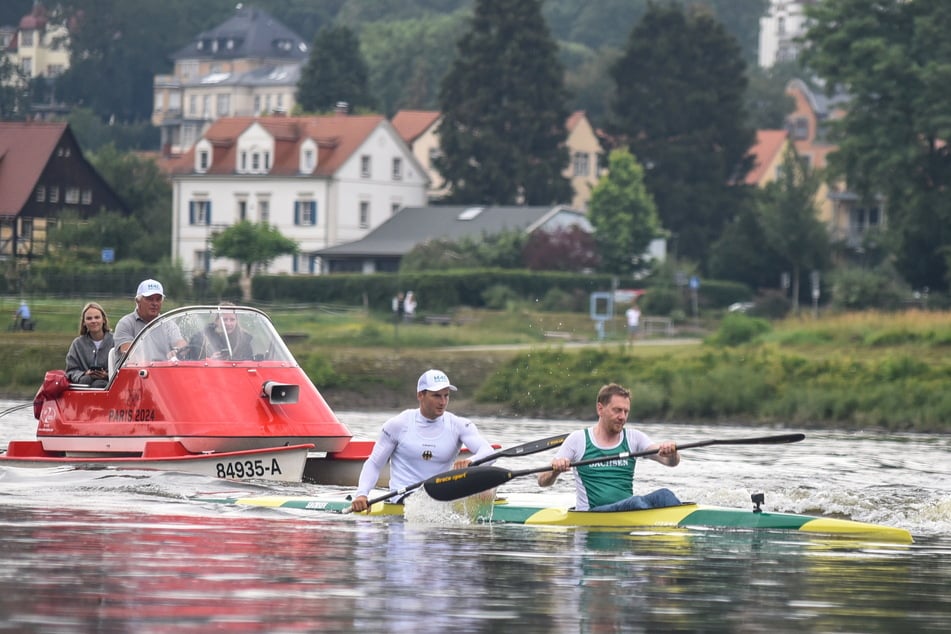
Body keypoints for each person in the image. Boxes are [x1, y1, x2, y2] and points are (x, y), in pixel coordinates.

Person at [349, 369, 495, 513]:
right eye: (436, 396)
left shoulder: (459, 425)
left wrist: (471, 461)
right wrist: (362, 494)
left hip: (441, 493)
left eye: (446, 396)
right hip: (405, 496)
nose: (443, 402)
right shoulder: (398, 424)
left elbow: (488, 451)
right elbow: (374, 463)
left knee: (487, 491)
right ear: (420, 395)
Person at [538, 383, 682, 512]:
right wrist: (555, 471)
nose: (622, 417)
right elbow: (542, 481)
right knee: (635, 502)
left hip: (630, 508)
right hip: (594, 513)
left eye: (626, 412)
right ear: (600, 409)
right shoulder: (578, 440)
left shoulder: (634, 438)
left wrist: (671, 452)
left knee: (664, 495)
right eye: (617, 410)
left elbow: (670, 462)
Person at [113, 279, 187, 360]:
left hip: (164, 370)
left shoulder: (168, 324)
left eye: (158, 299)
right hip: (137, 370)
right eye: (149, 299)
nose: (154, 303)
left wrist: (177, 351)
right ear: (138, 301)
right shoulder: (126, 323)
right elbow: (128, 353)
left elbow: (181, 343)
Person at [65, 302, 115, 388]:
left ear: (103, 320)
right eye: (89, 318)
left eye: (97, 317)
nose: (93, 321)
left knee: (99, 384)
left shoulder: (116, 341)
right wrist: (85, 374)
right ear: (84, 322)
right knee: (86, 380)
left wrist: (107, 375)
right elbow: (70, 371)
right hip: (84, 386)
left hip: (110, 386)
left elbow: (123, 367)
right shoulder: (77, 344)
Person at [187, 302, 254, 360]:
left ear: (237, 321)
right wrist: (210, 360)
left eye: (232, 319)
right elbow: (193, 362)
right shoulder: (202, 338)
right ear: (216, 320)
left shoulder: (244, 339)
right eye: (224, 319)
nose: (228, 323)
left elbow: (249, 361)